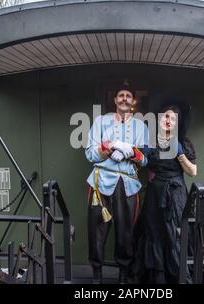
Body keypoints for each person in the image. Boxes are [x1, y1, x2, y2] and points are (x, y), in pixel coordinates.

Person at [85, 79, 148, 284]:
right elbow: (89, 153)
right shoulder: (100, 122)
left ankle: (123, 275)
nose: (124, 99)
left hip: (128, 185)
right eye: (121, 95)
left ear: (133, 101)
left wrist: (131, 153)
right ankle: (97, 276)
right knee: (97, 231)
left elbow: (146, 159)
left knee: (125, 232)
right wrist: (109, 148)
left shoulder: (141, 126)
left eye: (128, 96)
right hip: (101, 182)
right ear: (115, 100)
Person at [131, 104, 197, 284]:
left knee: (173, 234)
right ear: (160, 120)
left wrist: (179, 153)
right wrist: (134, 153)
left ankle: (178, 278)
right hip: (154, 194)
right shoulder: (151, 141)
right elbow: (141, 161)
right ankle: (157, 279)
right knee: (154, 233)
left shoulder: (183, 142)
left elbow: (192, 172)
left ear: (177, 123)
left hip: (175, 195)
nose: (168, 121)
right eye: (165, 117)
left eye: (173, 119)